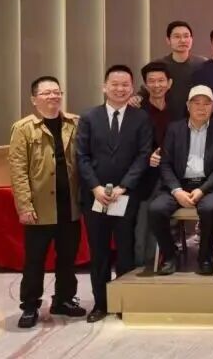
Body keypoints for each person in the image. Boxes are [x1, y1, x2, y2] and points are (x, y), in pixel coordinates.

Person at [75, 65, 153, 322]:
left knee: (125, 250)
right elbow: (82, 156)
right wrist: (95, 187)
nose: (120, 89)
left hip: (125, 195)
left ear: (132, 88)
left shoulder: (141, 118)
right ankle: (100, 303)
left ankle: (123, 301)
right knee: (99, 252)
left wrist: (124, 186)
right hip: (95, 196)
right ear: (104, 87)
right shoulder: (89, 117)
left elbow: (143, 155)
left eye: (125, 85)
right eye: (115, 84)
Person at [8, 76, 86, 328]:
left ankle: (63, 299)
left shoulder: (74, 123)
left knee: (67, 258)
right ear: (34, 99)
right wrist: (24, 206)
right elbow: (18, 170)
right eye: (46, 93)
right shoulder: (23, 128)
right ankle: (30, 305)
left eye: (56, 92)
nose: (53, 96)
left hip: (69, 206)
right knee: (35, 260)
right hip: (40, 208)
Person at [150, 85, 213, 277]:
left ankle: (205, 256)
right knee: (156, 210)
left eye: (206, 104)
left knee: (211, 208)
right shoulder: (174, 129)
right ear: (188, 106)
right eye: (196, 103)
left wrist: (203, 190)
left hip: (209, 185)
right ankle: (170, 255)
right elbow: (165, 164)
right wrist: (176, 190)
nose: (201, 108)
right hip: (179, 184)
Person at [136, 62, 173, 272]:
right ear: (145, 84)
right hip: (146, 175)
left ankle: (165, 255)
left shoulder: (179, 110)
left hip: (174, 175)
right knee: (144, 219)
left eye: (161, 80)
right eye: (152, 81)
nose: (157, 85)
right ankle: (144, 262)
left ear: (169, 83)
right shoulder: (137, 111)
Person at [143, 21, 206, 119]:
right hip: (166, 119)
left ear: (191, 39)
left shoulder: (202, 64)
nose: (183, 40)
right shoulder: (158, 65)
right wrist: (137, 98)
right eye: (177, 37)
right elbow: (147, 89)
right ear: (168, 40)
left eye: (186, 36)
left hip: (196, 119)